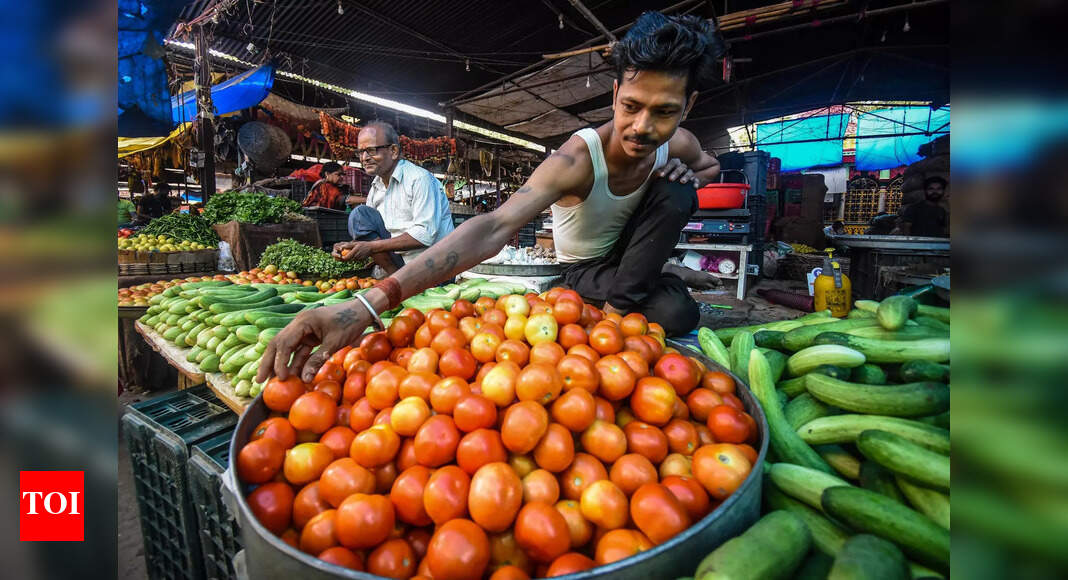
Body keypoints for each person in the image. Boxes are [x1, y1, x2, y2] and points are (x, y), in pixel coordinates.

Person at [259, 11, 724, 384]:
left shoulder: (677, 143)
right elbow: (494, 226)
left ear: (689, 107)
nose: (643, 128)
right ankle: (628, 307)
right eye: (631, 107)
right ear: (616, 92)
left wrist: (689, 174)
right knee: (675, 311)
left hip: (629, 262)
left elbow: (711, 167)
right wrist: (365, 304)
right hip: (586, 270)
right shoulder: (577, 160)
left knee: (675, 192)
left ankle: (623, 309)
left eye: (664, 112)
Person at [331, 121, 455, 276]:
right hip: (401, 263)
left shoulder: (419, 179)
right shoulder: (376, 187)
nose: (364, 158)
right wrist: (349, 247)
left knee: (361, 215)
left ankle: (399, 282)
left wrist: (371, 248)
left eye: (371, 150)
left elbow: (425, 235)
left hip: (433, 266)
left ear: (394, 151)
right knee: (360, 215)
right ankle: (396, 278)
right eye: (360, 152)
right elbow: (371, 237)